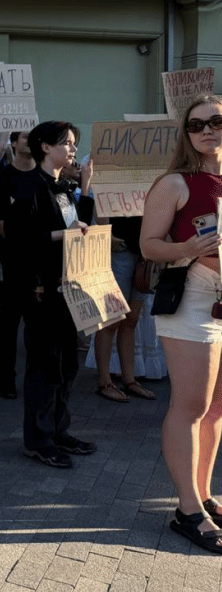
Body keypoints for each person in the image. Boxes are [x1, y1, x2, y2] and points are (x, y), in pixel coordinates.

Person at [140, 94, 222, 554]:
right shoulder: (175, 182)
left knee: (216, 408)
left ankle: (205, 494)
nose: (207, 130)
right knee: (191, 406)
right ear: (186, 133)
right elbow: (149, 245)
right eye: (196, 124)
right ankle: (188, 510)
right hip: (194, 300)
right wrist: (190, 247)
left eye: (216, 121)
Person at [6, 120, 95, 469]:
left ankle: (59, 430)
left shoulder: (64, 187)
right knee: (45, 366)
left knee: (67, 363)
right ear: (46, 147)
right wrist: (63, 236)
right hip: (41, 289)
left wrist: (85, 190)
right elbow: (19, 240)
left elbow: (80, 231)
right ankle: (38, 439)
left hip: (68, 286)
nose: (73, 149)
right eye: (67, 143)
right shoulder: (29, 187)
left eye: (74, 143)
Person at [0, 130, 36, 399]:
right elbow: (3, 227)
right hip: (13, 264)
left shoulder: (46, 180)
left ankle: (36, 379)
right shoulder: (0, 181)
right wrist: (40, 233)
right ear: (14, 142)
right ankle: (6, 378)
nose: (30, 141)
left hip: (43, 266)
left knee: (37, 326)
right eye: (25, 136)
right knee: (8, 323)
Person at [89, 217, 155, 403]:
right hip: (120, 248)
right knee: (111, 320)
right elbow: (102, 202)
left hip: (142, 251)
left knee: (131, 319)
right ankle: (105, 382)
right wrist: (105, 234)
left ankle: (129, 379)